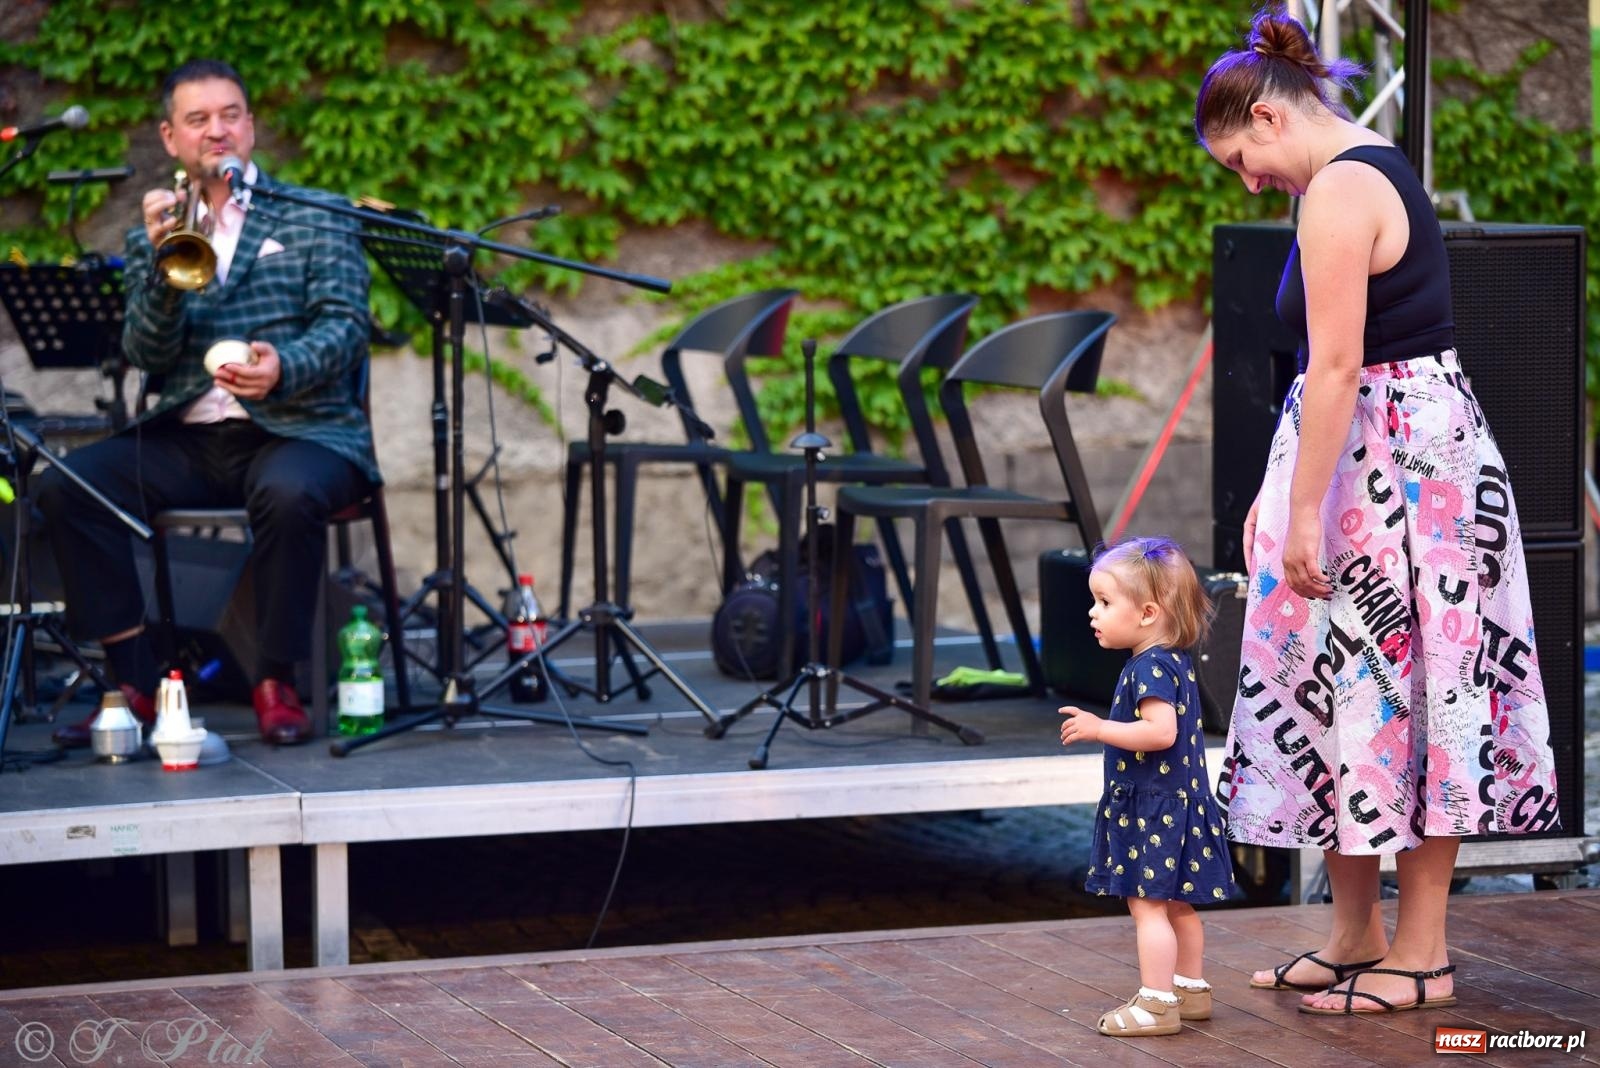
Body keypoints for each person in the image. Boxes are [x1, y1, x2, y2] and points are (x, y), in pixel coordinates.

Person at [1195, 9, 1561, 1016]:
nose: (1248, 182)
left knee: (1424, 692)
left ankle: (1423, 955)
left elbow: (1339, 365)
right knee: (1342, 687)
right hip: (1386, 454)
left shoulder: (1340, 192)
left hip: (1398, 465)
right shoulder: (1368, 167)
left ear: (1267, 119)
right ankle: (1356, 935)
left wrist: (1301, 514)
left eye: (1238, 159)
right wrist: (1289, 504)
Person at [43, 58, 380, 747]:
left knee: (287, 494)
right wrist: (165, 269)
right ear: (171, 139)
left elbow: (346, 326)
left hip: (302, 428)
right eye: (198, 119)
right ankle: (136, 681)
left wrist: (284, 367)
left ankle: (274, 678)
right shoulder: (152, 235)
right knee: (67, 487)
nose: (217, 130)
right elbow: (148, 355)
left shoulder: (319, 216)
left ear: (251, 127)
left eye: (230, 115)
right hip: (194, 434)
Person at [1059, 536, 1236, 1037]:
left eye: (1105, 602)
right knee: (1178, 903)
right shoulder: (1173, 659)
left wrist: (1099, 728)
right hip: (1175, 803)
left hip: (1155, 811)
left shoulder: (1149, 667)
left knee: (1148, 906)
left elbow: (1160, 733)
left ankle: (1157, 1003)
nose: (1093, 613)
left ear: (1148, 612)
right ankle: (1190, 989)